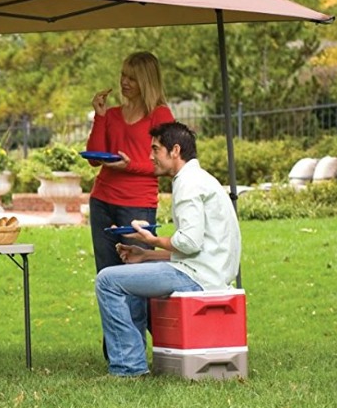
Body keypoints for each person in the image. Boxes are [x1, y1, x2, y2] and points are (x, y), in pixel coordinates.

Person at [95, 122, 242, 377]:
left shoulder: (187, 184)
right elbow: (198, 248)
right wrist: (145, 256)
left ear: (175, 150)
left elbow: (188, 242)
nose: (150, 156)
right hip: (208, 272)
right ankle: (132, 362)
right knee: (126, 279)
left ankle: (128, 368)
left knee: (107, 280)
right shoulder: (201, 179)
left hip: (197, 279)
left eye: (155, 149)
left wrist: (150, 239)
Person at [85, 50, 175, 273]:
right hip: (102, 201)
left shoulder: (160, 115)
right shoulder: (113, 114)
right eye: (123, 75)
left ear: (146, 81)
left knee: (138, 273)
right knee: (106, 273)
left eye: (132, 78)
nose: (124, 82)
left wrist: (130, 165)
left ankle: (139, 311)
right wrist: (100, 116)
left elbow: (169, 164)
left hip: (137, 205)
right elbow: (95, 159)